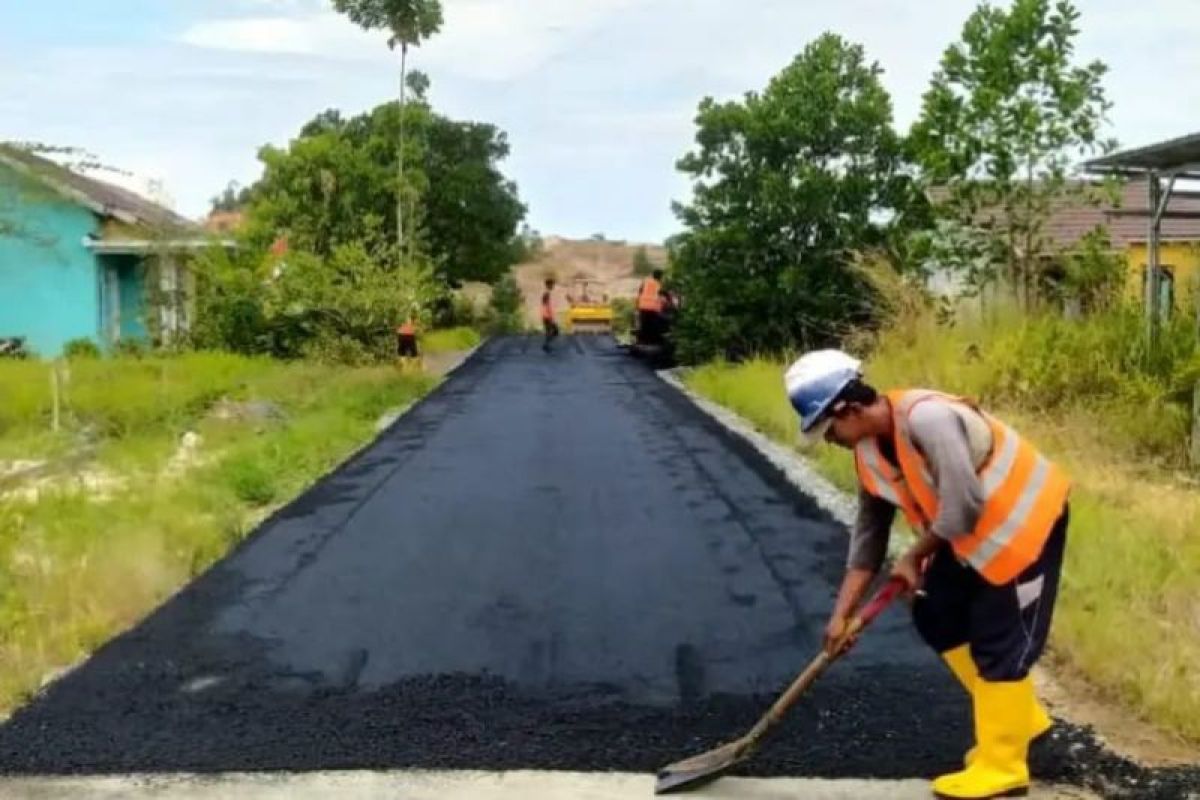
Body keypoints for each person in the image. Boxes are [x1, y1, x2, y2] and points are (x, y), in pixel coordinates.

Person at [784, 349, 1070, 800]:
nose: (830, 439)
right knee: (936, 613)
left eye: (829, 428)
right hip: (966, 537)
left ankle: (1002, 767)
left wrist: (914, 556)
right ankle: (1020, 722)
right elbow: (869, 540)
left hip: (1022, 524)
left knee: (1000, 639)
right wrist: (841, 616)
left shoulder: (929, 420)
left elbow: (963, 505)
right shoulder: (869, 452)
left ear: (850, 409)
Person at [637, 269, 666, 346]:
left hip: (643, 306)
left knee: (644, 325)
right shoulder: (659, 284)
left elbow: (640, 292)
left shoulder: (645, 282)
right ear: (660, 277)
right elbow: (663, 294)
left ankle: (642, 342)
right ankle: (653, 343)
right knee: (654, 326)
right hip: (653, 308)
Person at [541, 278, 559, 353]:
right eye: (552, 284)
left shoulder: (547, 294)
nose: (553, 286)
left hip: (547, 316)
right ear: (548, 285)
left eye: (553, 284)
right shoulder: (546, 294)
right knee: (553, 331)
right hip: (547, 316)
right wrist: (549, 317)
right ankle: (546, 346)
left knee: (553, 331)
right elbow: (546, 306)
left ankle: (546, 345)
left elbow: (548, 305)